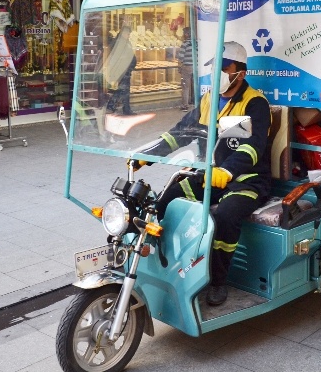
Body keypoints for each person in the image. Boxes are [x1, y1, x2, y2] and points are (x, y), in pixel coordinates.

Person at [131, 42, 271, 306]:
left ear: (241, 72)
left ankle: (218, 281)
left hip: (247, 181)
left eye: (224, 67)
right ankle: (162, 262)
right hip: (209, 177)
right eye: (215, 67)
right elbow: (180, 133)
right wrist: (147, 154)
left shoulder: (255, 103)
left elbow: (254, 147)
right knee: (167, 198)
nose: (217, 72)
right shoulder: (208, 100)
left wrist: (228, 170)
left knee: (226, 216)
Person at [105, 26, 136, 115]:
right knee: (122, 90)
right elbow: (116, 58)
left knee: (124, 90)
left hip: (125, 70)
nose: (128, 35)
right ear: (123, 33)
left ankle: (125, 109)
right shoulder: (119, 43)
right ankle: (112, 106)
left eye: (129, 34)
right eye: (127, 33)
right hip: (122, 71)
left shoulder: (125, 42)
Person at [178, 27, 194, 112]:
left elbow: (181, 57)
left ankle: (185, 106)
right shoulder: (196, 43)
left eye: (184, 33)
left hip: (187, 67)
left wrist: (179, 67)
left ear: (187, 34)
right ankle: (193, 102)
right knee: (193, 85)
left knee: (185, 87)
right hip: (195, 67)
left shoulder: (185, 44)